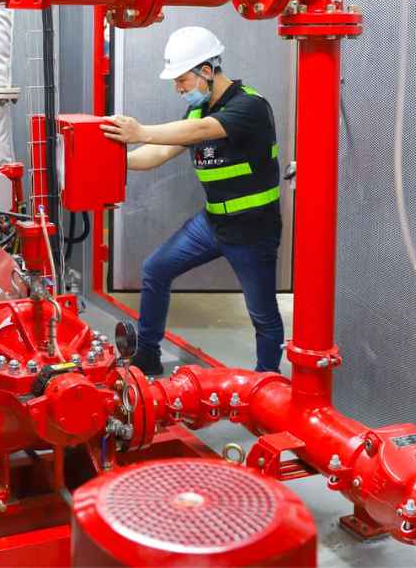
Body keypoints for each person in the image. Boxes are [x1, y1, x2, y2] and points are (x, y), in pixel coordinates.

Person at [101, 26, 285, 376]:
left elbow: (201, 133)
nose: (178, 88)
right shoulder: (197, 112)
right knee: (155, 269)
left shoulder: (249, 106)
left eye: (182, 80)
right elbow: (157, 152)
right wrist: (110, 160)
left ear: (206, 70)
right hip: (213, 223)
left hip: (252, 230)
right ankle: (148, 354)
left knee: (262, 315)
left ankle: (267, 383)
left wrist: (140, 131)